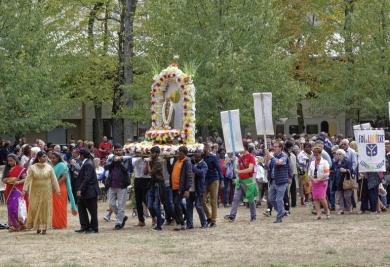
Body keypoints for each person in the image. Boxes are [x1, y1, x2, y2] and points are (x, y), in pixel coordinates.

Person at [23, 151, 60, 234]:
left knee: (45, 208)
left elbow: (54, 179)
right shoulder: (32, 168)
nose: (45, 158)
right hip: (35, 191)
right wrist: (24, 189)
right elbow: (28, 179)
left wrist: (57, 190)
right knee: (35, 208)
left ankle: (44, 228)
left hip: (46, 191)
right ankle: (37, 226)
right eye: (43, 157)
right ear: (38, 158)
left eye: (45, 156)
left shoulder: (49, 167)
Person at [225, 142, 258, 222]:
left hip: (248, 181)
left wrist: (239, 171)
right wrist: (230, 161)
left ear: (244, 148)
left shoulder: (251, 157)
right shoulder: (240, 158)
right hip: (240, 181)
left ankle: (253, 216)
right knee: (235, 198)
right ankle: (232, 216)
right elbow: (229, 165)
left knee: (250, 200)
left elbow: (250, 169)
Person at [104, 144, 132, 230]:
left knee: (121, 205)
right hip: (112, 185)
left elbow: (126, 170)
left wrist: (119, 161)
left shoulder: (126, 159)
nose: (118, 152)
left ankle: (119, 223)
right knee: (111, 204)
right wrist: (114, 161)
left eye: (120, 150)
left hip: (122, 185)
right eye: (116, 150)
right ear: (114, 151)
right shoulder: (111, 158)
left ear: (122, 151)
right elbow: (106, 167)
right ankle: (122, 217)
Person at [49, 152, 77, 229]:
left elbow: (64, 177)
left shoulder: (61, 165)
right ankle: (55, 224)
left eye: (54, 158)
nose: (52, 159)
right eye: (51, 158)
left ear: (58, 158)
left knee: (60, 206)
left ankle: (61, 224)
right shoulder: (53, 166)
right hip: (55, 188)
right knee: (55, 207)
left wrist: (55, 185)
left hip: (60, 188)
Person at [75, 149, 99, 233]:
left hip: (90, 191)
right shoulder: (86, 162)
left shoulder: (88, 163)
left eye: (79, 155)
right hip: (86, 191)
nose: (78, 156)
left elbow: (87, 178)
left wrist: (80, 189)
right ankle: (84, 226)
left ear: (82, 155)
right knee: (81, 208)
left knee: (92, 210)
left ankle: (94, 228)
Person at [265, 141, 289, 223]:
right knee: (271, 199)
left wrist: (271, 157)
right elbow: (267, 166)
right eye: (274, 146)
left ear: (280, 148)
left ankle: (279, 217)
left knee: (279, 199)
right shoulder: (273, 156)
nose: (274, 148)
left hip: (282, 181)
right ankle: (282, 211)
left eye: (276, 146)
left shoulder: (284, 156)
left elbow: (279, 163)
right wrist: (265, 160)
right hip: (273, 181)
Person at [2, 154, 28, 231]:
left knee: (15, 208)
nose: (10, 162)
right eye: (8, 161)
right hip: (9, 190)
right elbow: (3, 179)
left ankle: (21, 224)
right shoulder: (7, 169)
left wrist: (18, 182)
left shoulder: (20, 169)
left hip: (17, 190)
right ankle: (14, 226)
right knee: (10, 208)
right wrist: (8, 180)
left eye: (11, 161)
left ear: (15, 160)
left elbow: (26, 179)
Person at [170, 146, 193, 231]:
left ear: (184, 154)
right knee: (175, 205)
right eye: (178, 152)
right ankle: (181, 222)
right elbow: (171, 171)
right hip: (174, 187)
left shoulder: (187, 162)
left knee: (176, 203)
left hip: (181, 188)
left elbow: (189, 176)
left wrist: (187, 189)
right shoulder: (176, 160)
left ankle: (181, 223)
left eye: (180, 153)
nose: (178, 154)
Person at [202, 143, 223, 227]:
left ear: (209, 149)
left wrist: (222, 181)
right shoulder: (201, 157)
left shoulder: (213, 157)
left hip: (214, 180)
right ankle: (209, 217)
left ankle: (213, 220)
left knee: (213, 201)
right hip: (204, 181)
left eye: (207, 147)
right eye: (204, 147)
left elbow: (219, 169)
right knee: (202, 200)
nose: (205, 149)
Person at [187, 150, 208, 229]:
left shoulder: (204, 164)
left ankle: (204, 223)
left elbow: (201, 173)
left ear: (201, 157)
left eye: (197, 157)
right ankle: (189, 224)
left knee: (198, 206)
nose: (195, 158)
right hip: (190, 188)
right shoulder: (192, 162)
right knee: (188, 206)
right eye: (195, 156)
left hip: (198, 189)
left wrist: (192, 167)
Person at [308, 146, 330, 219]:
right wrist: (312, 179)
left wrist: (319, 179)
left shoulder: (325, 162)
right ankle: (318, 214)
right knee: (315, 198)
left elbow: (327, 173)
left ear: (320, 154)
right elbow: (309, 173)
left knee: (322, 197)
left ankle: (327, 211)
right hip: (314, 182)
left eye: (317, 154)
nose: (316, 156)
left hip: (323, 182)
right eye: (314, 155)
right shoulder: (312, 163)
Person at [146, 146, 165, 231]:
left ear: (157, 154)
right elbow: (145, 172)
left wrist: (147, 163)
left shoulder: (159, 161)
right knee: (150, 205)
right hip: (152, 184)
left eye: (153, 153)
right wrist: (147, 163)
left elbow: (150, 172)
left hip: (158, 184)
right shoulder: (152, 161)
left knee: (156, 205)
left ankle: (159, 225)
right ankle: (159, 218)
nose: (151, 154)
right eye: (151, 152)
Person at [332, 149, 353, 214]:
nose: (338, 155)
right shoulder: (335, 163)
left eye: (340, 154)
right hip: (338, 181)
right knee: (339, 197)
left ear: (343, 155)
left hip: (346, 181)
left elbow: (352, 170)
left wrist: (346, 170)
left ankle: (349, 208)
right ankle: (341, 209)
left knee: (347, 196)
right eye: (337, 154)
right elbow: (332, 170)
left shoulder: (347, 162)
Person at [132, 156, 152, 227]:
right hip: (137, 179)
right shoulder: (136, 158)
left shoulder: (151, 158)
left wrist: (147, 161)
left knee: (146, 200)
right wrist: (141, 158)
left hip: (147, 180)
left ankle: (154, 218)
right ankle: (141, 220)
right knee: (138, 201)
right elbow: (133, 163)